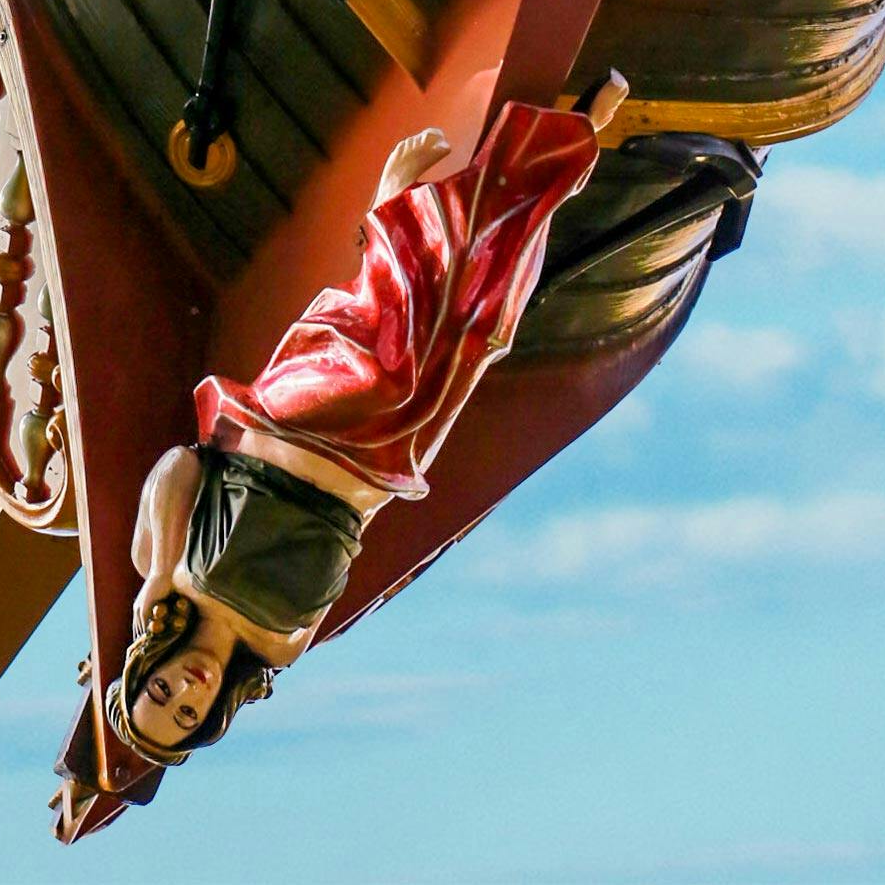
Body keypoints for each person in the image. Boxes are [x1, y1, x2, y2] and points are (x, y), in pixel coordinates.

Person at [102, 108, 600, 772]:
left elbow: (178, 467)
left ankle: (391, 207)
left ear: (147, 666)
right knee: (476, 338)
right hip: (375, 469)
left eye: (159, 691)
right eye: (187, 712)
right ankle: (553, 161)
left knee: (385, 370)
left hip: (293, 425)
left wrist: (164, 567)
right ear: (214, 712)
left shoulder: (166, 583)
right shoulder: (281, 648)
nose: (183, 690)